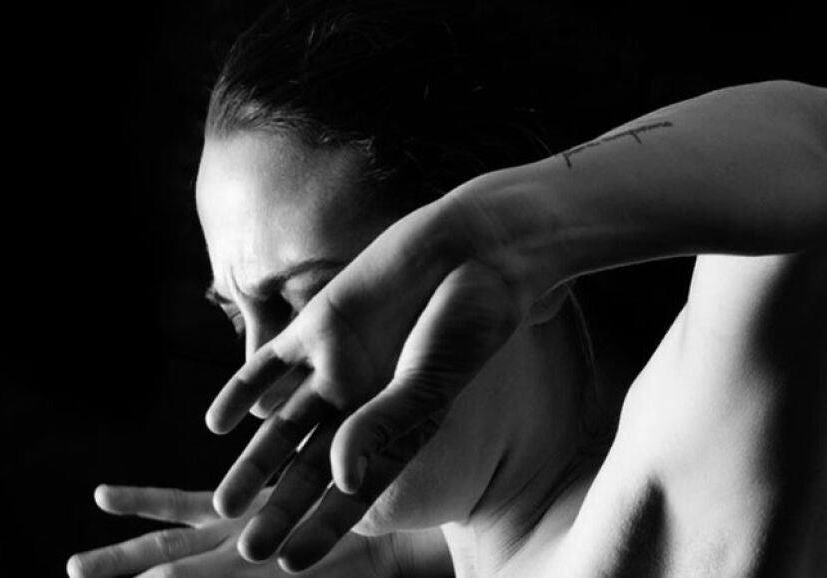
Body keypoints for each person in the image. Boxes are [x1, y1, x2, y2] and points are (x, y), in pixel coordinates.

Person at [68, 1, 827, 576]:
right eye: (239, 315)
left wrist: (510, 230)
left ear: (537, 272)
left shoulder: (668, 499)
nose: (262, 389)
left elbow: (815, 141)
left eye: (311, 298)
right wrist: (399, 548)